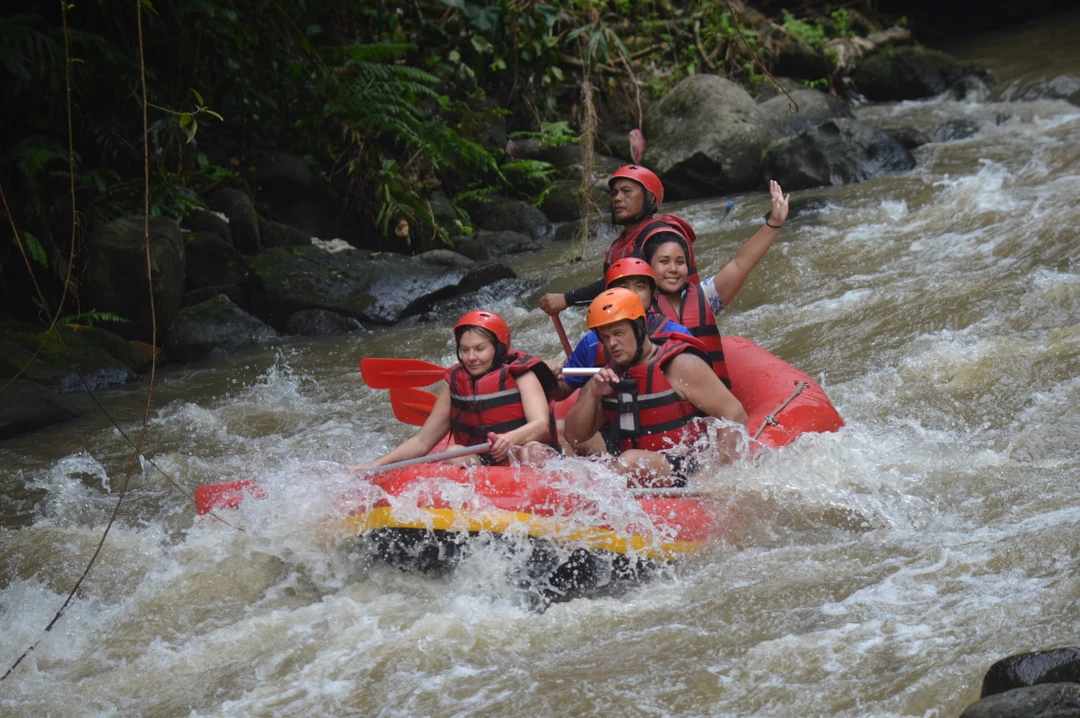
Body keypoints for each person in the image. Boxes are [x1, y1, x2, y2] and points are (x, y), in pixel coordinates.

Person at [563, 289, 748, 487]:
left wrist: (715, 475)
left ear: (640, 327)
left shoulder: (680, 365)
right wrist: (592, 394)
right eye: (605, 337)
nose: (612, 343)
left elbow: (735, 416)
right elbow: (575, 437)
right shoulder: (608, 378)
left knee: (629, 461)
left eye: (618, 333)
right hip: (639, 466)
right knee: (604, 458)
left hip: (691, 465)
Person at [353, 310, 558, 470]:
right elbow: (423, 442)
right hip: (483, 460)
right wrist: (376, 465)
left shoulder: (523, 376)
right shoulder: (454, 388)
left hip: (520, 451)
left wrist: (509, 439)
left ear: (499, 349)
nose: (471, 357)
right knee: (454, 452)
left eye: (480, 349)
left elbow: (540, 426)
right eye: (465, 349)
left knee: (534, 450)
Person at [644, 179, 790, 388]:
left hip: (711, 405)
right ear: (648, 266)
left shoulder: (704, 297)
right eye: (664, 262)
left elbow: (741, 264)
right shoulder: (638, 309)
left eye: (680, 262)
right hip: (666, 403)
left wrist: (774, 222)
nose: (673, 269)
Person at [538, 164, 702, 315]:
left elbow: (622, 281)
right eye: (615, 193)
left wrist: (567, 299)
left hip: (671, 329)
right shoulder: (621, 242)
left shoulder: (661, 237)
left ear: (650, 199)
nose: (617, 198)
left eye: (627, 191)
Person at [550, 257, 691, 401]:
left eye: (640, 287)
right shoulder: (593, 342)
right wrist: (549, 375)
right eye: (623, 288)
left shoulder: (677, 334)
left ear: (652, 293)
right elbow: (562, 392)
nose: (632, 294)